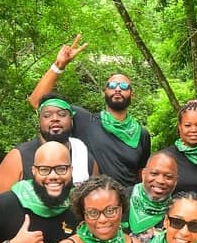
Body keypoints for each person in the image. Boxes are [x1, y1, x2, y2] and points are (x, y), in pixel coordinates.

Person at [26, 35, 151, 186]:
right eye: (112, 86)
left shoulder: (142, 134)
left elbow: (141, 174)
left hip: (125, 204)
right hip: (90, 203)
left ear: (132, 94)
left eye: (124, 86)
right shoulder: (86, 121)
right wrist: (58, 66)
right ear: (104, 92)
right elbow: (36, 101)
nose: (118, 89)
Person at [0, 95, 97, 196]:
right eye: (47, 115)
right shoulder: (18, 157)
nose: (55, 118)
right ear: (39, 121)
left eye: (62, 114)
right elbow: (0, 208)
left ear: (71, 120)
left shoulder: (85, 158)